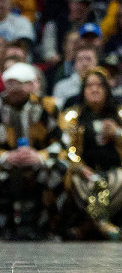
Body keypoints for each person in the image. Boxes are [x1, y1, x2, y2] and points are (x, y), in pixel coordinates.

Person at [60, 68, 122, 238]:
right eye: (89, 86)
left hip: (117, 169)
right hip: (85, 171)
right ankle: (103, 225)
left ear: (107, 90)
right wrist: (80, 168)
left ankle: (90, 226)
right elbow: (65, 147)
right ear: (83, 91)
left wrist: (118, 133)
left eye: (99, 85)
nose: (94, 89)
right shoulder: (72, 115)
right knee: (76, 180)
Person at [0, 62, 66, 239]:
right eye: (10, 84)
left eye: (19, 84)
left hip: (38, 164)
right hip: (5, 165)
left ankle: (50, 226)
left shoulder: (48, 107)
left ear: (30, 85)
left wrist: (39, 156)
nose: (14, 89)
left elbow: (62, 143)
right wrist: (5, 156)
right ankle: (4, 226)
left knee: (57, 171)